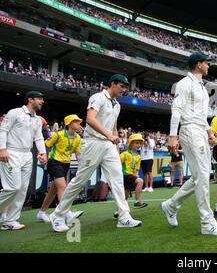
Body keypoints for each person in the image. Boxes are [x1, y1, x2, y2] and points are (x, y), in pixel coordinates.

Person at [49, 74, 142, 232]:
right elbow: (90, 119)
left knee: (117, 179)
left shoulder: (117, 105)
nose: (124, 90)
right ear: (113, 84)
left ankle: (124, 216)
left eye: (126, 87)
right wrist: (109, 135)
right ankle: (57, 215)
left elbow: (113, 126)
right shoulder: (98, 97)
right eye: (122, 86)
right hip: (92, 143)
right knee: (80, 180)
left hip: (108, 145)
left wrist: (115, 144)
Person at [161, 51, 217, 236]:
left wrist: (209, 131)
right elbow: (176, 109)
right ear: (199, 64)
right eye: (207, 63)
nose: (209, 66)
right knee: (202, 177)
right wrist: (172, 136)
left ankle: (171, 205)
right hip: (189, 130)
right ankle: (207, 223)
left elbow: (200, 115)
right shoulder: (184, 84)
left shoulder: (201, 86)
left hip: (199, 129)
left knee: (201, 175)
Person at [0, 91, 48, 230]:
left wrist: (43, 153)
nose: (42, 101)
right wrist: (2, 149)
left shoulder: (37, 119)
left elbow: (38, 138)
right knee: (12, 188)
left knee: (21, 189)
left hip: (27, 155)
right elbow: (3, 130)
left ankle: (10, 220)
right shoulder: (14, 112)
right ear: (30, 99)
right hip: (11, 152)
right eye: (39, 98)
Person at [36, 114, 84, 223]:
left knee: (53, 190)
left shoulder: (77, 138)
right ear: (69, 124)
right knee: (62, 187)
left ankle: (41, 213)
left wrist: (81, 165)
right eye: (76, 121)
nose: (79, 124)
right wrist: (41, 155)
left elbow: (77, 154)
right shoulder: (58, 135)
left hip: (66, 164)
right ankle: (66, 212)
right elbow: (45, 145)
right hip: (54, 162)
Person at [113, 133, 147, 219]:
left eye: (140, 143)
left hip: (131, 176)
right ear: (131, 143)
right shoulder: (124, 154)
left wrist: (136, 176)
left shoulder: (138, 157)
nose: (139, 145)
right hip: (124, 175)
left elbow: (136, 170)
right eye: (136, 143)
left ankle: (117, 212)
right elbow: (117, 164)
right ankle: (137, 201)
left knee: (125, 196)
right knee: (140, 181)